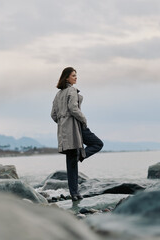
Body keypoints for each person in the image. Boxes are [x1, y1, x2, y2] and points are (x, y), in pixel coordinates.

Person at [51, 67, 103, 201]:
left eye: (76, 75)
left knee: (71, 163)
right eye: (73, 75)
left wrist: (63, 122)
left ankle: (74, 194)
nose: (76, 77)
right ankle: (82, 154)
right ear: (66, 77)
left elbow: (53, 115)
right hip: (76, 127)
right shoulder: (71, 91)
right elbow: (73, 108)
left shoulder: (58, 95)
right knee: (98, 143)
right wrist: (84, 119)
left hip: (64, 130)